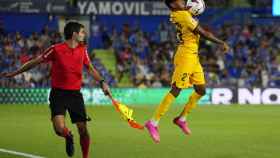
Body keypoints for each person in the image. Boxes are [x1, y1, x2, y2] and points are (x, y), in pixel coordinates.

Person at [0, 21, 112, 158]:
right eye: (82, 32)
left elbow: (90, 68)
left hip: (75, 95)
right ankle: (68, 136)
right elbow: (35, 61)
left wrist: (102, 82)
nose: (84, 34)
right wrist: (15, 73)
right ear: (74, 34)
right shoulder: (56, 49)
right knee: (59, 129)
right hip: (58, 94)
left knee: (83, 130)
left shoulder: (83, 49)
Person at [145, 0, 230, 143]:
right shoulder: (184, 15)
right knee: (176, 90)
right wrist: (221, 42)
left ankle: (181, 119)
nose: (183, 2)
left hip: (193, 57)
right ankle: (153, 123)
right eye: (179, 2)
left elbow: (172, 5)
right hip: (185, 56)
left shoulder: (179, 13)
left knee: (201, 90)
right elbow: (203, 33)